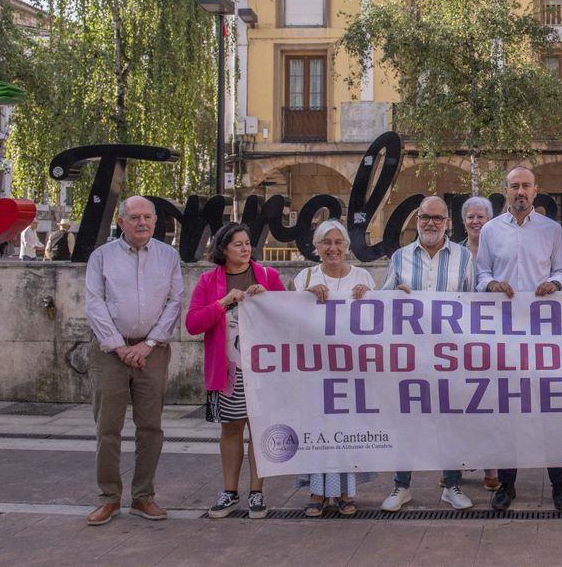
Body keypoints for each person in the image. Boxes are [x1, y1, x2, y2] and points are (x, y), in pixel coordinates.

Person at [83, 196, 183, 526]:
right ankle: (108, 498)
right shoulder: (102, 257)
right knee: (108, 428)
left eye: (148, 217)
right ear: (121, 221)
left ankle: (143, 496)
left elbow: (174, 302)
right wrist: (119, 347)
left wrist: (149, 344)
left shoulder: (169, 256)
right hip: (109, 353)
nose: (142, 223)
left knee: (151, 428)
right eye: (135, 217)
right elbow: (94, 303)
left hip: (152, 352)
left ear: (155, 221)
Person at [476, 166, 562, 512]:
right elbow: (481, 273)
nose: (520, 191)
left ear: (535, 190)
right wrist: (491, 284)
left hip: (543, 333)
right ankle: (507, 485)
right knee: (508, 413)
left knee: (550, 412)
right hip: (503, 334)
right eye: (514, 186)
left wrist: (555, 284)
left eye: (525, 186)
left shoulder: (551, 229)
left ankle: (559, 485)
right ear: (506, 190)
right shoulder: (490, 230)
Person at [185, 222, 286, 520]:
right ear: (223, 249)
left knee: (259, 428)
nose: (245, 249)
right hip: (227, 370)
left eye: (247, 243)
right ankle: (229, 491)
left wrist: (268, 298)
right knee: (231, 428)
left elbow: (287, 315)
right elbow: (193, 324)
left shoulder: (268, 275)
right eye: (238, 244)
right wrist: (223, 302)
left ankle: (257, 492)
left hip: (263, 369)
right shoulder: (208, 280)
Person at [381, 197, 476, 512]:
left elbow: (475, 305)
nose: (431, 223)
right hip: (410, 355)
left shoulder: (464, 257)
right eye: (425, 217)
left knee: (450, 422)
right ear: (416, 220)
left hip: (450, 356)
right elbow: (382, 302)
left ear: (447, 222)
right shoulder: (400, 257)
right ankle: (401, 486)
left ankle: (451, 485)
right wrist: (395, 296)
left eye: (437, 218)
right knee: (407, 421)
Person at [290, 219, 376, 516]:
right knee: (318, 427)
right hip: (316, 369)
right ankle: (317, 491)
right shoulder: (305, 277)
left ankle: (345, 492)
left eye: (338, 242)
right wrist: (306, 296)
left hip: (351, 369)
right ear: (316, 247)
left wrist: (368, 296)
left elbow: (375, 321)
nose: (333, 248)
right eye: (326, 242)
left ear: (347, 247)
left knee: (347, 428)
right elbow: (293, 320)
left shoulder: (363, 276)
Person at [459, 195, 500, 493]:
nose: (475, 222)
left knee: (489, 405)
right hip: (456, 341)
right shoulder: (453, 253)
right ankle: (456, 465)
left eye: (481, 217)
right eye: (471, 217)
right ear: (464, 221)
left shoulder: (499, 252)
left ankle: (491, 467)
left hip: (492, 340)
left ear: (490, 221)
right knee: (459, 404)